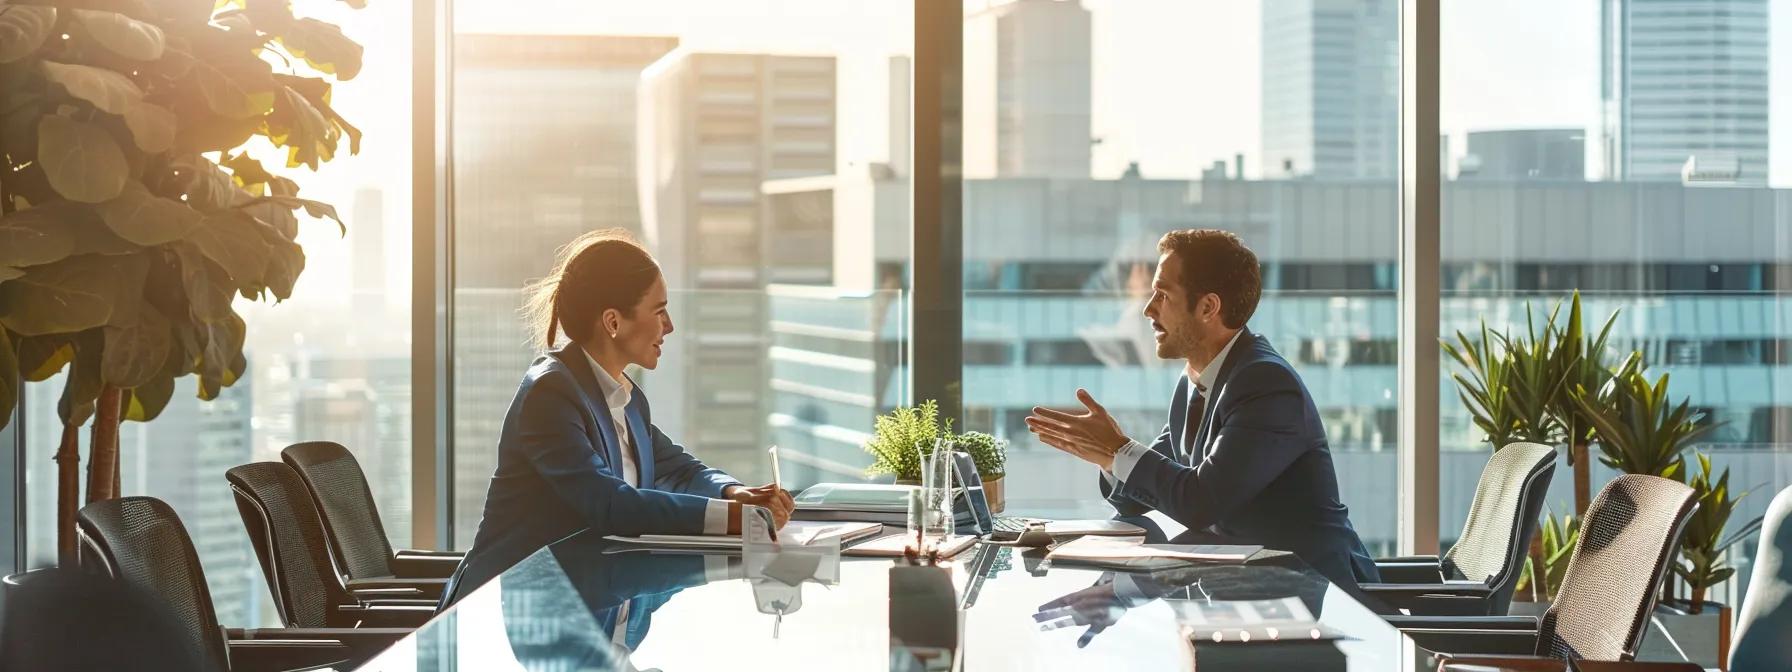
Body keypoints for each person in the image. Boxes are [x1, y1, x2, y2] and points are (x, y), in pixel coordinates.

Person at [1024, 229, 1380, 590]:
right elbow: (1145, 493)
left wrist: (1118, 449)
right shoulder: (1196, 379)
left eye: (1162, 295)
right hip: (1244, 593)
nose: (1148, 309)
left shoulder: (1266, 383)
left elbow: (1200, 501)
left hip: (1315, 599)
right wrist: (1107, 457)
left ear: (1208, 307)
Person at [457, 229, 794, 596]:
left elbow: (677, 469)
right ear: (613, 322)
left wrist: (733, 493)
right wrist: (736, 521)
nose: (669, 326)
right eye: (659, 311)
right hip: (512, 611)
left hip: (595, 600)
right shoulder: (550, 394)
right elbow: (610, 503)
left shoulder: (625, 398)